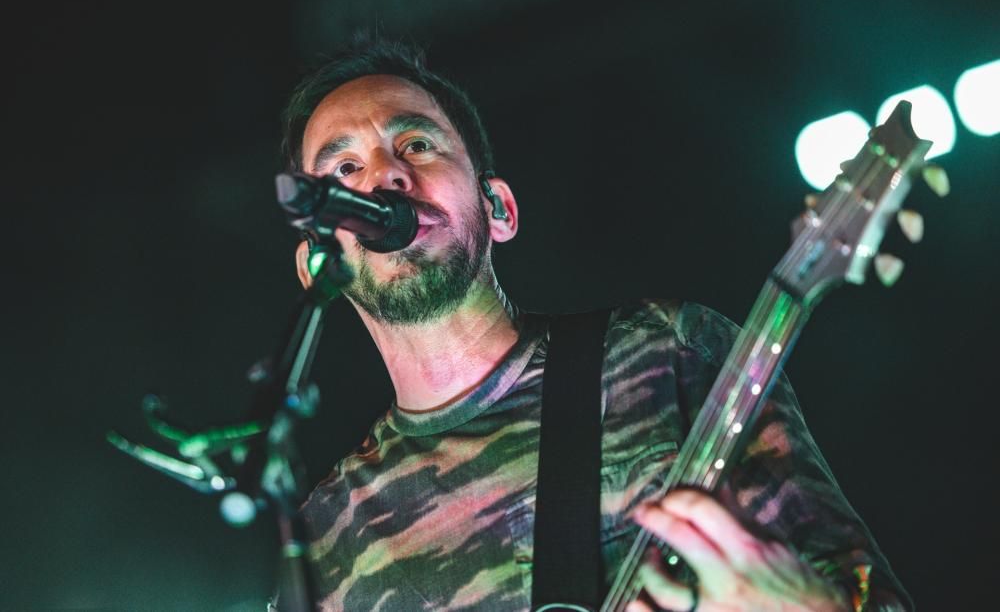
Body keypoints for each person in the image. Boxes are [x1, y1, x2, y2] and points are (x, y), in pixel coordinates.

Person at [276, 35, 910, 611]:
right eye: (344, 172)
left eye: (416, 145)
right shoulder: (323, 542)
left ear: (497, 209)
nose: (384, 177)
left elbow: (871, 595)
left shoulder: (668, 355)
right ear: (314, 265)